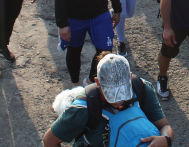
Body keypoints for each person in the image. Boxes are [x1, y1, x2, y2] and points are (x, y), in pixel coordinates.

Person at [43, 53, 174, 147]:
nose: (119, 102)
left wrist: (165, 139)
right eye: (111, 95)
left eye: (123, 93)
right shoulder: (84, 108)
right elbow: (49, 140)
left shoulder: (142, 88)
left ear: (129, 78)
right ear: (97, 83)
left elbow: (164, 125)